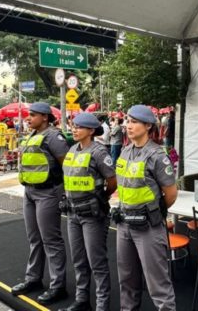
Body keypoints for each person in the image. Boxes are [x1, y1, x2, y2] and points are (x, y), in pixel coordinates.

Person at [113, 104, 178, 311]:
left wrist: (151, 213)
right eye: (127, 121)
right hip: (124, 225)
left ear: (148, 126)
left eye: (133, 122)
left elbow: (171, 195)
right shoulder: (125, 152)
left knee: (158, 284)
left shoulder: (157, 155)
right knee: (127, 280)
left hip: (148, 228)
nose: (128, 125)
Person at [11, 102, 70, 305]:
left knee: (51, 240)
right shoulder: (33, 135)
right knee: (34, 238)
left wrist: (64, 193)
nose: (28, 118)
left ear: (45, 117)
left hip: (48, 193)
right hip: (29, 192)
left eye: (33, 115)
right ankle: (33, 279)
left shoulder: (54, 136)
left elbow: (67, 166)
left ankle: (57, 286)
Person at [58, 112, 117, 311]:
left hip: (93, 216)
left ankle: (102, 305)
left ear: (91, 131)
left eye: (79, 127)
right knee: (78, 260)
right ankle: (82, 300)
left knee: (97, 262)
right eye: (73, 126)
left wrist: (101, 198)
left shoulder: (99, 152)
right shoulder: (72, 150)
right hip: (73, 214)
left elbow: (113, 181)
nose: (74, 129)